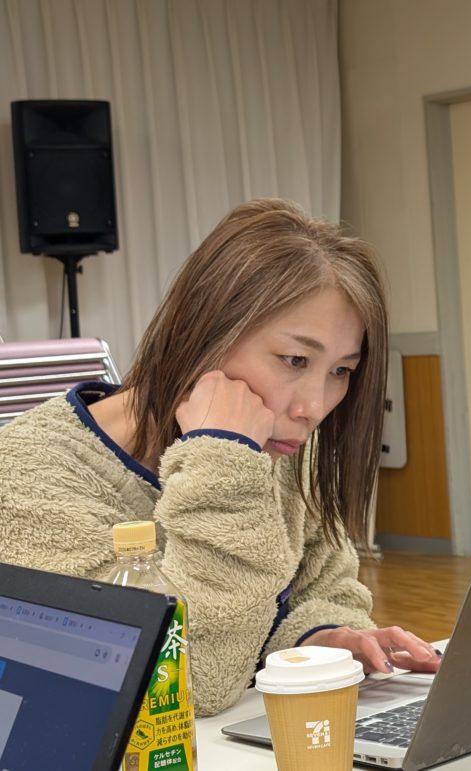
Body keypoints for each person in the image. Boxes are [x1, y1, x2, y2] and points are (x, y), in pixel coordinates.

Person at [0, 199, 440, 716]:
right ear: (202, 331)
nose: (313, 407)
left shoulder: (279, 443)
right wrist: (224, 460)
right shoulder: (26, 476)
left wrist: (320, 637)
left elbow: (324, 585)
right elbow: (184, 686)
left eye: (340, 371)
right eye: (294, 359)